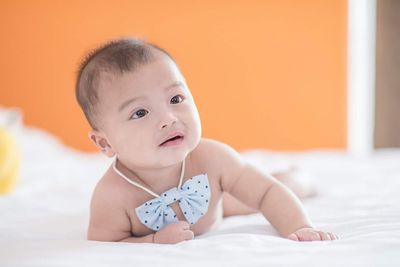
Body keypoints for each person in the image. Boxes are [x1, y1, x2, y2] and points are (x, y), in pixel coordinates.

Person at [76, 38, 337, 244]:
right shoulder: (111, 196)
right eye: (140, 113)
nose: (168, 119)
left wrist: (300, 227)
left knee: (272, 188)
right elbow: (106, 244)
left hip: (220, 204)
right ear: (104, 143)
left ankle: (297, 177)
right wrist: (152, 240)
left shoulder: (212, 159)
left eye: (175, 99)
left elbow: (266, 192)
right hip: (214, 208)